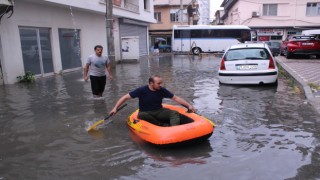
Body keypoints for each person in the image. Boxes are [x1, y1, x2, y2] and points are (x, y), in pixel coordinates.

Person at [109, 75, 196, 126]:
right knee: (142, 115)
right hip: (146, 112)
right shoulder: (141, 90)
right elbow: (125, 97)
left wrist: (188, 105)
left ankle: (174, 129)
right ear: (151, 83)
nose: (160, 85)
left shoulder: (162, 90)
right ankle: (160, 125)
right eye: (158, 83)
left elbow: (175, 98)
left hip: (159, 111)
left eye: (161, 83)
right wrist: (115, 108)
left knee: (174, 113)